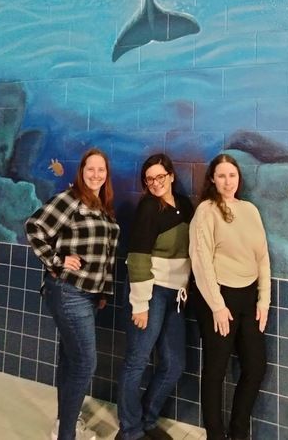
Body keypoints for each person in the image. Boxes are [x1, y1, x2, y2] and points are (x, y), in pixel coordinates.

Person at [25, 148, 120, 440]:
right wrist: (57, 261)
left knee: (70, 359)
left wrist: (103, 291)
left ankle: (63, 425)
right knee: (85, 363)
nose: (96, 175)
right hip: (68, 291)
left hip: (89, 294)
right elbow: (34, 227)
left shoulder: (103, 206)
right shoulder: (71, 199)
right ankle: (67, 434)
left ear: (107, 174)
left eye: (101, 170)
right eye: (90, 169)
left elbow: (106, 255)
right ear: (82, 172)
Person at [189, 153, 270, 440]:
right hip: (218, 297)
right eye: (221, 175)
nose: (227, 181)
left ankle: (238, 432)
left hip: (249, 298)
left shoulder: (250, 210)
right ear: (212, 179)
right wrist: (217, 306)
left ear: (239, 178)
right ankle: (215, 434)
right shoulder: (206, 211)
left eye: (232, 175)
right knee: (216, 370)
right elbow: (201, 261)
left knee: (256, 366)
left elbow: (263, 258)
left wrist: (264, 300)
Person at [117, 153, 194, 440]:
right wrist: (139, 304)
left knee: (174, 364)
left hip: (175, 294)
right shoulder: (149, 207)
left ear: (171, 176)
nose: (155, 183)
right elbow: (138, 255)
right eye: (149, 180)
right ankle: (129, 429)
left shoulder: (185, 205)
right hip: (149, 291)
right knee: (137, 360)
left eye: (160, 176)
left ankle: (148, 419)